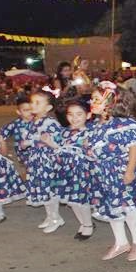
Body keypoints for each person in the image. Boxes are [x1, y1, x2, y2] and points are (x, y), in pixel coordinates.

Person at [88, 82, 136, 262]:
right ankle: (121, 242)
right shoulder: (96, 124)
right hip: (104, 173)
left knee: (127, 207)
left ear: (111, 102)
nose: (91, 102)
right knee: (112, 207)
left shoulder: (122, 124)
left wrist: (130, 171)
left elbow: (133, 148)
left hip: (120, 172)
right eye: (92, 99)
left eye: (96, 99)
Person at [41, 100, 96, 240]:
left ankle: (88, 225)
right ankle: (83, 223)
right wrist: (49, 143)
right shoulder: (63, 132)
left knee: (81, 200)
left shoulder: (91, 133)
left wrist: (88, 148)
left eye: (79, 114)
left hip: (81, 171)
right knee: (71, 201)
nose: (74, 118)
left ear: (88, 115)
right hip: (64, 170)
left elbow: (94, 153)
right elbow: (59, 148)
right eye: (70, 114)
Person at [23, 91, 65, 233]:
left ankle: (56, 217)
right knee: (43, 188)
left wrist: (43, 142)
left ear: (48, 108)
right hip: (37, 159)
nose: (32, 105)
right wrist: (27, 143)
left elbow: (58, 141)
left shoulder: (50, 122)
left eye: (37, 102)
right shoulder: (34, 121)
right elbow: (33, 138)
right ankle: (50, 216)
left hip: (47, 159)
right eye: (31, 101)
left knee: (49, 190)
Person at [0, 96, 34, 167]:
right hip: (23, 156)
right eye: (26, 110)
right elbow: (2, 134)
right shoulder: (15, 124)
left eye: (32, 109)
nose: (30, 112)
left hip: (39, 154)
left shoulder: (40, 122)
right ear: (19, 112)